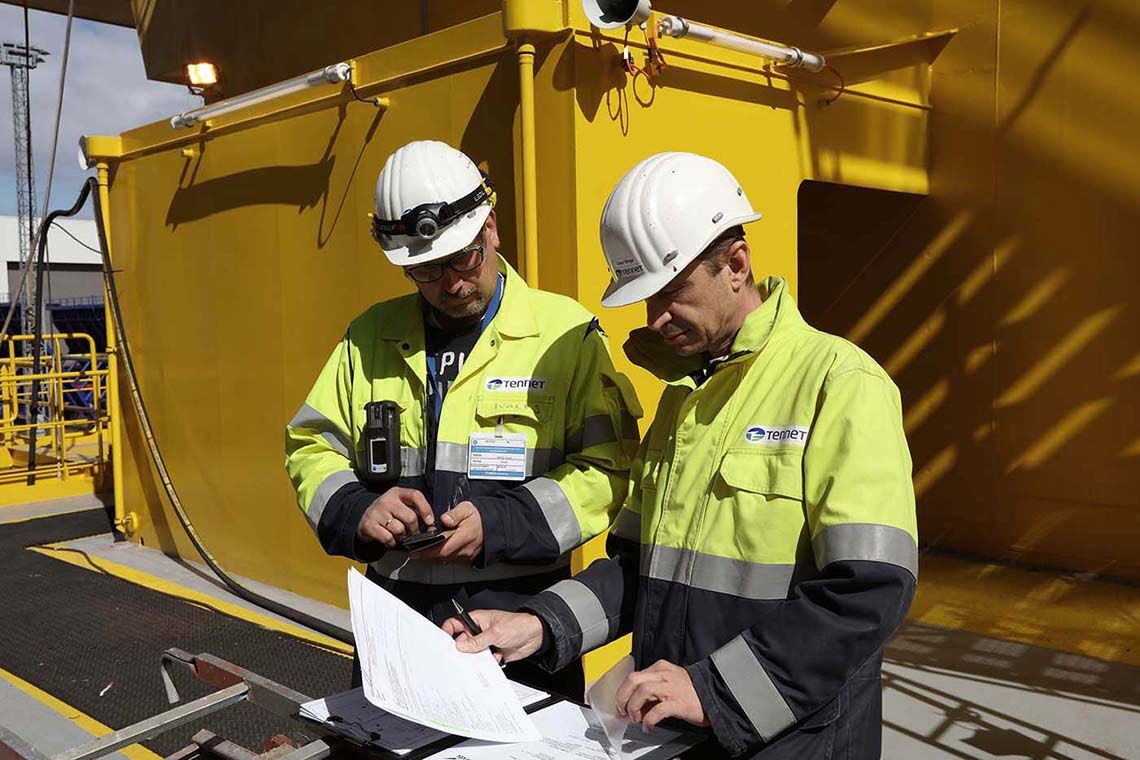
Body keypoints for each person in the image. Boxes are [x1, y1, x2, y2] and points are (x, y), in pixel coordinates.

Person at [443, 152, 919, 758]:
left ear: (737, 265)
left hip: (795, 740)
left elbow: (872, 589)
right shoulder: (682, 403)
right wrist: (537, 624)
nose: (657, 317)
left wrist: (716, 690)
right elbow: (637, 571)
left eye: (672, 292)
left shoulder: (839, 382)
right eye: (645, 299)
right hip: (675, 732)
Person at [285, 140, 642, 698]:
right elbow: (310, 445)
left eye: (464, 259)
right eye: (426, 272)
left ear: (492, 229)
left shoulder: (565, 335)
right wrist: (359, 510)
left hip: (519, 619)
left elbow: (610, 470)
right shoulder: (367, 338)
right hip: (396, 616)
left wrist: (499, 526)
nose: (450, 284)